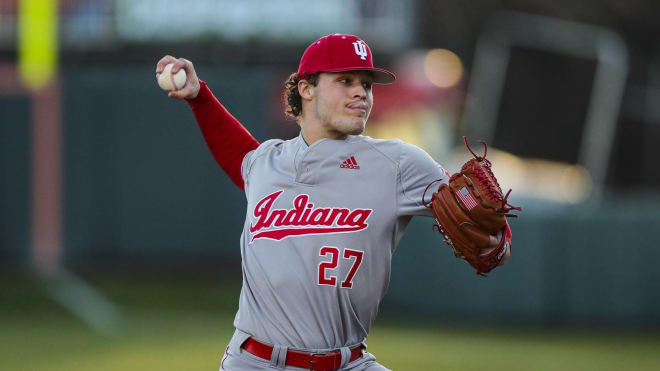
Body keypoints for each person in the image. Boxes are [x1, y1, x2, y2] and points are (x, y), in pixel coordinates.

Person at [156, 34, 510, 371]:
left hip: (349, 361)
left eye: (366, 84)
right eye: (345, 81)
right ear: (306, 89)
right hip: (255, 361)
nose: (361, 93)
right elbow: (236, 150)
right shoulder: (266, 162)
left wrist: (498, 241)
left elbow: (479, 209)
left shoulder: (398, 163)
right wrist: (198, 96)